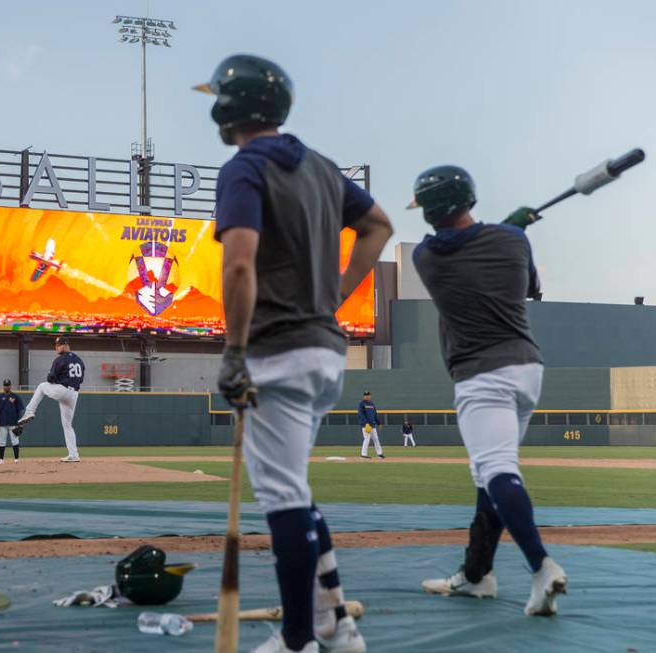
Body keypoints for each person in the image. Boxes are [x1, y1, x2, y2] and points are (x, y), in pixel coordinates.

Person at [197, 55, 393, 653]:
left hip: (276, 351)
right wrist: (336, 290)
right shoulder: (322, 167)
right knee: (296, 490)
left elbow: (237, 263)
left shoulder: (244, 168)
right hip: (325, 353)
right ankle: (336, 621)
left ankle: (299, 640)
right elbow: (379, 226)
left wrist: (233, 351)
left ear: (232, 108)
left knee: (282, 497)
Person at [408, 165, 567, 615]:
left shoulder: (426, 256)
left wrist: (505, 225)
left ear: (428, 211)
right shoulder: (513, 241)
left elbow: (457, 243)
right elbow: (530, 286)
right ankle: (477, 574)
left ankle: (542, 566)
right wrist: (509, 228)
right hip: (527, 368)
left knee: (496, 470)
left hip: (482, 374)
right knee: (489, 478)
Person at [17, 336, 84, 462]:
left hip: (62, 390)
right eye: (56, 345)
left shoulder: (60, 359)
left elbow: (50, 378)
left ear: (65, 344)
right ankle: (74, 454)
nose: (56, 347)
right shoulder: (79, 360)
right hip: (74, 394)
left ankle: (30, 411)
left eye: (58, 345)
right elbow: (80, 379)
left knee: (42, 386)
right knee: (68, 426)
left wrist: (56, 381)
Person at [0, 380, 25, 464]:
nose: (6, 387)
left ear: (11, 386)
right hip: (2, 423)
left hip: (13, 423)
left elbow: (20, 410)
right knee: (1, 441)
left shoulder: (16, 396)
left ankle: (16, 459)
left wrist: (20, 422)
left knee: (15, 441)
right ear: (3, 386)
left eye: (8, 385)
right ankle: (1, 459)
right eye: (5, 385)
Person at [357, 392, 384, 459]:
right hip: (366, 425)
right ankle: (363, 455)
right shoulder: (362, 404)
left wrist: (379, 423)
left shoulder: (372, 404)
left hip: (373, 425)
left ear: (370, 396)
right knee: (367, 439)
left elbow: (375, 415)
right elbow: (361, 415)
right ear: (364, 397)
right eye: (365, 395)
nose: (367, 396)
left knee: (376, 439)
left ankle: (379, 454)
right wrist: (365, 423)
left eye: (368, 395)